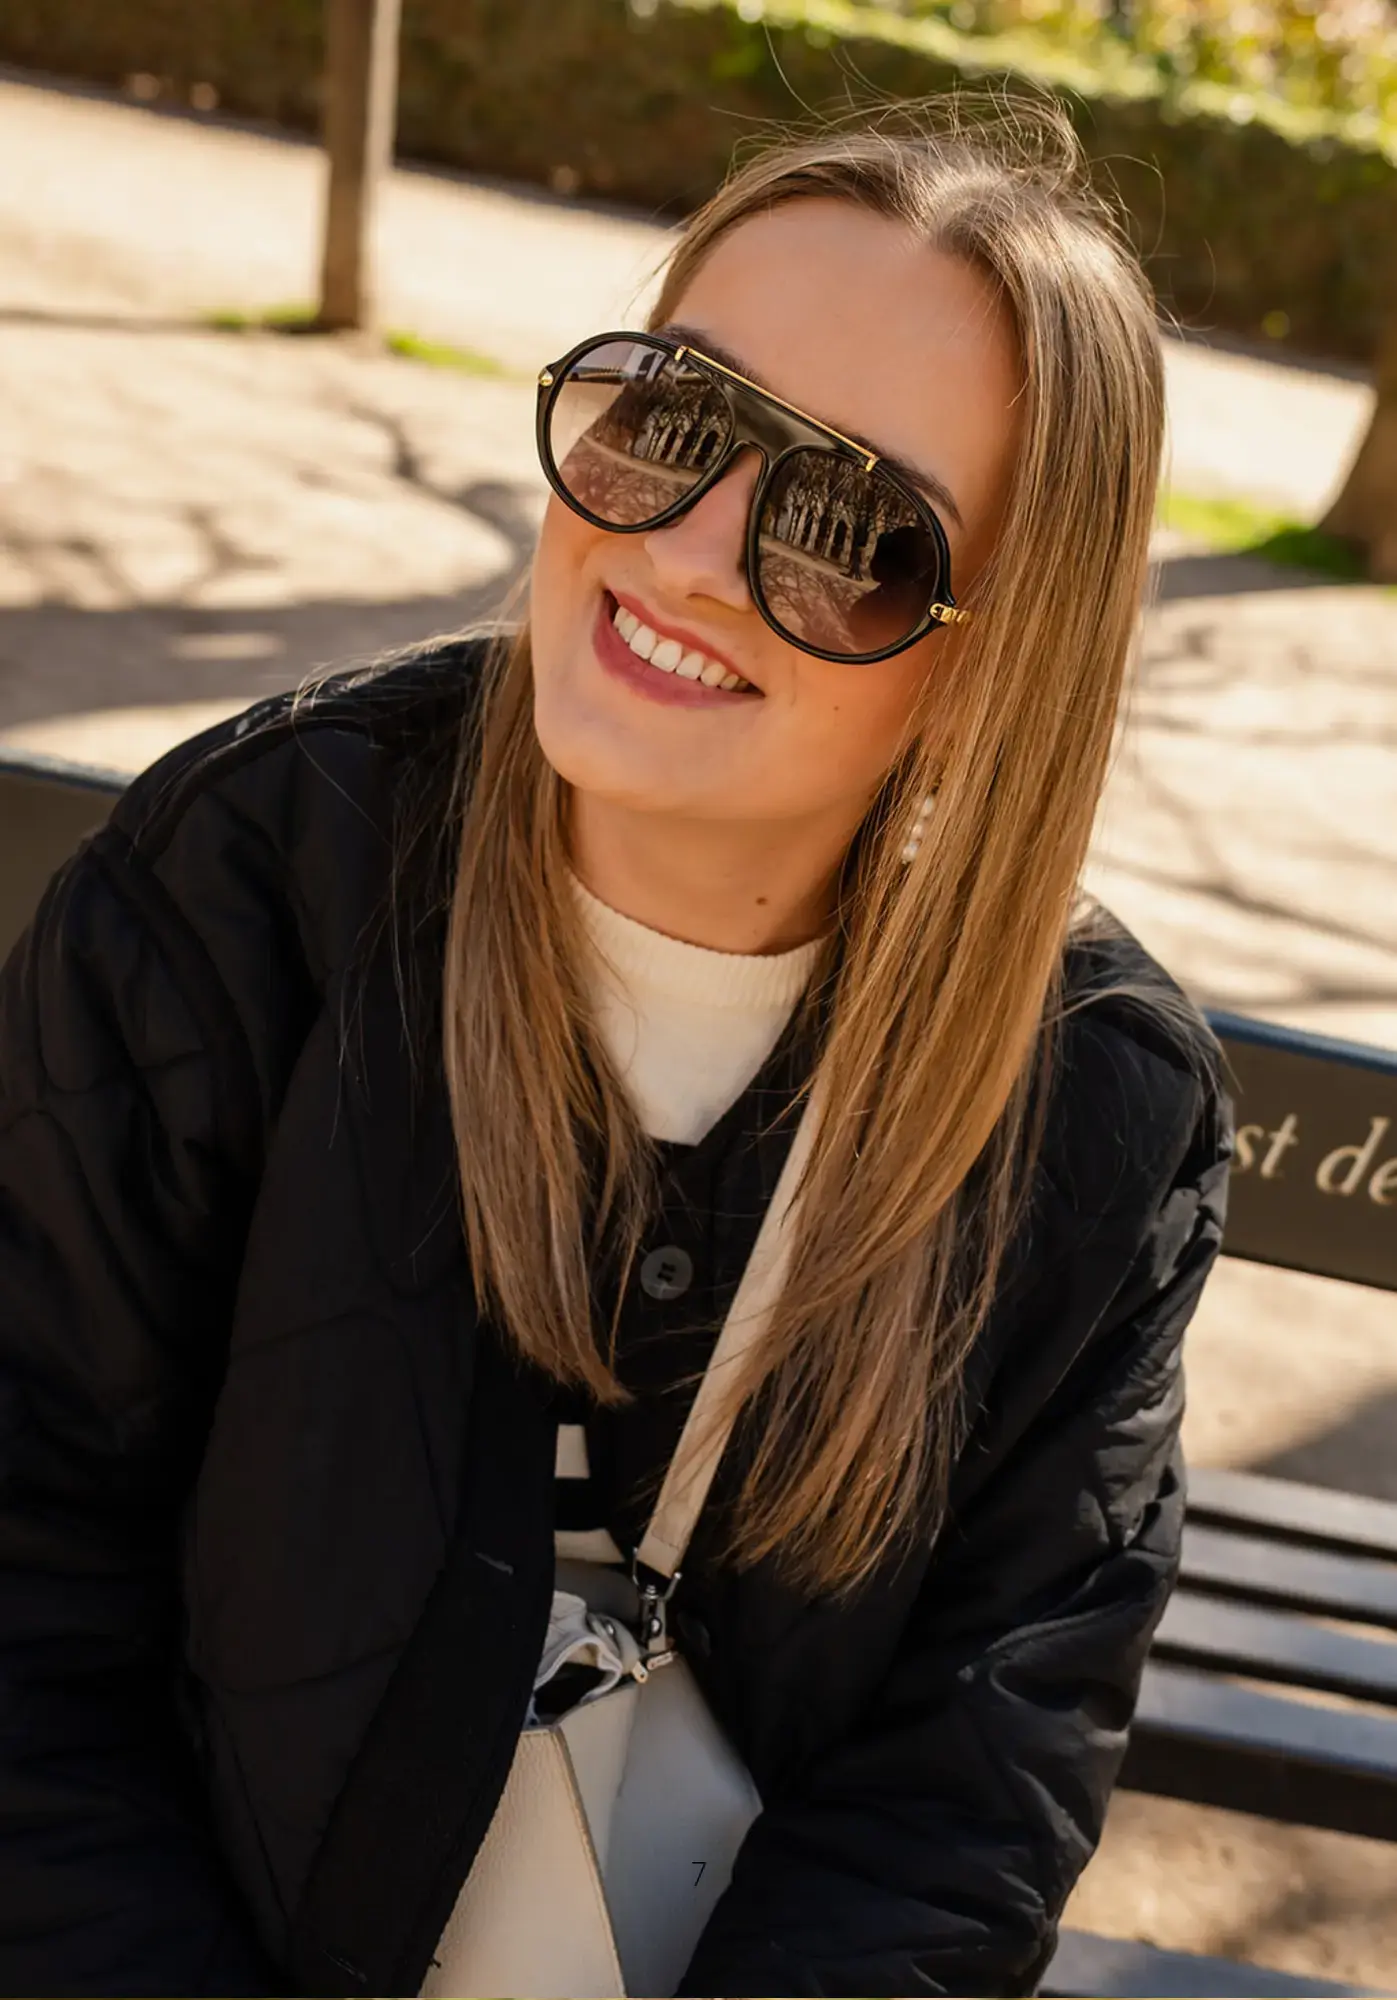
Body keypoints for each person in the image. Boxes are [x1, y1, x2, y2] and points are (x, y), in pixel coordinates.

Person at [0, 99, 1231, 1998]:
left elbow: (968, 1796)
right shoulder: (251, 885)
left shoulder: (1093, 1111)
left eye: (848, 530)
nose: (692, 552)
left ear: (999, 656)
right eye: (673, 416)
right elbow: (28, 1586)